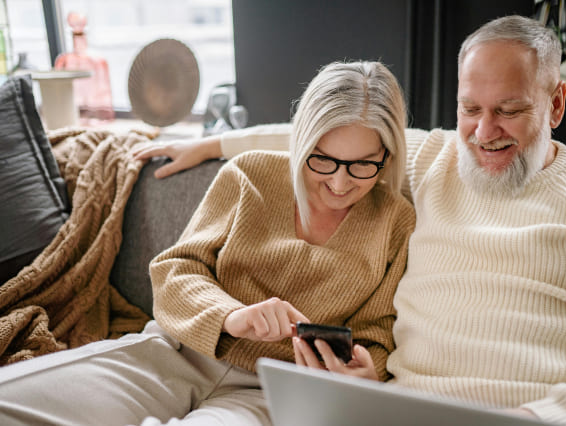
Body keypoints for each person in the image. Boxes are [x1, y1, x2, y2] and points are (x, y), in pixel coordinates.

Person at [134, 15, 566, 425]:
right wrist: (214, 143)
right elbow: (330, 132)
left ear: (556, 104)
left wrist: (538, 418)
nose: (484, 132)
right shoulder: (436, 160)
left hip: (536, 415)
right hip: (394, 412)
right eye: (470, 108)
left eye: (509, 110)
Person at [0, 61, 415, 425]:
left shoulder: (396, 221)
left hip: (269, 392)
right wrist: (232, 316)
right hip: (175, 353)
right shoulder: (249, 174)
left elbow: (378, 333)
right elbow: (175, 270)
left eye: (363, 165)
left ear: (388, 157)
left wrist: (366, 375)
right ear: (301, 142)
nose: (340, 184)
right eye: (322, 159)